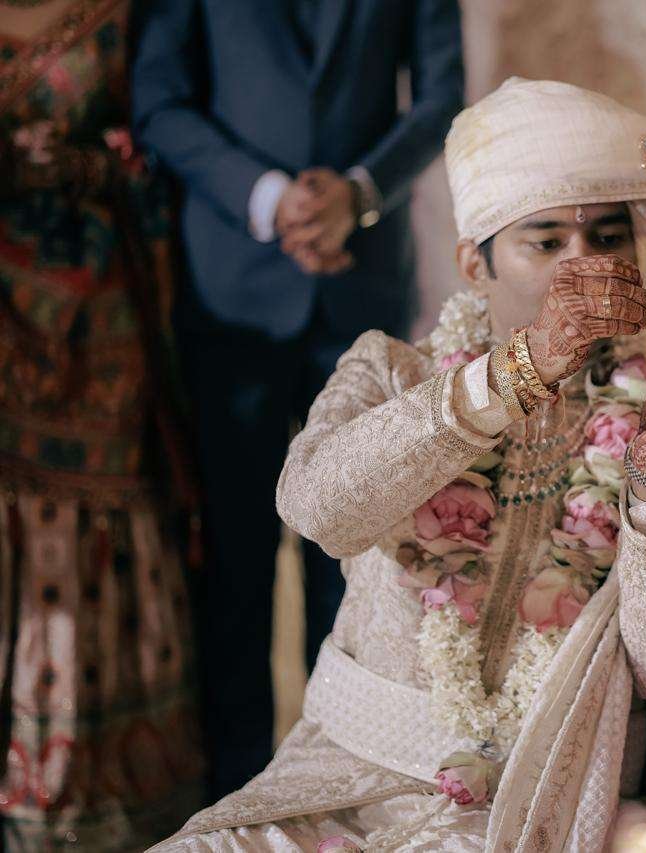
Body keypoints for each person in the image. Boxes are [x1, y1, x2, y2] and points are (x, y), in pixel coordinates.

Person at [150, 50, 646, 852]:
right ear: (474, 263)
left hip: (547, 796)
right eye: (545, 241)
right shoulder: (390, 370)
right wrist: (512, 375)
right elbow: (315, 508)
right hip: (340, 778)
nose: (584, 263)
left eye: (608, 236)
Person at [129, 0, 465, 797]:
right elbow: (158, 101)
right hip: (230, 298)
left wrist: (360, 193)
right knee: (233, 563)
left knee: (353, 569)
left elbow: (441, 97)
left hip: (360, 294)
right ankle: (230, 796)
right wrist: (266, 196)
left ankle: (332, 792)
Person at [0, 0, 205, 847]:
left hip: (96, 317)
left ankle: (90, 798)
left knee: (93, 518)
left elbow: (165, 147)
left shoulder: (128, 15)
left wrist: (89, 166)